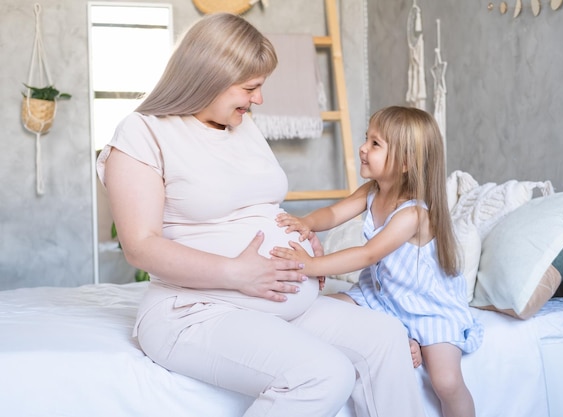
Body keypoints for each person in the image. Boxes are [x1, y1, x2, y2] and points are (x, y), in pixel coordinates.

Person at [96, 13, 425, 417]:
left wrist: (301, 238)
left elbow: (258, 204)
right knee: (325, 374)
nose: (259, 100)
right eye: (251, 88)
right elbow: (140, 247)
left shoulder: (242, 126)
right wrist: (238, 272)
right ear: (209, 77)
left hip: (282, 303)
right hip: (195, 310)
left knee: (387, 336)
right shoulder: (142, 133)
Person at [272, 106, 484, 417]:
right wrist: (306, 222)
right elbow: (333, 213)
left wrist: (311, 265)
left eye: (375, 144)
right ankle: (402, 337)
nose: (362, 148)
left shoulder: (414, 213)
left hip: (426, 307)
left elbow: (367, 254)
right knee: (320, 310)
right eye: (366, 138)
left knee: (446, 381)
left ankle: (414, 341)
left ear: (405, 162)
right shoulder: (372, 191)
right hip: (381, 296)